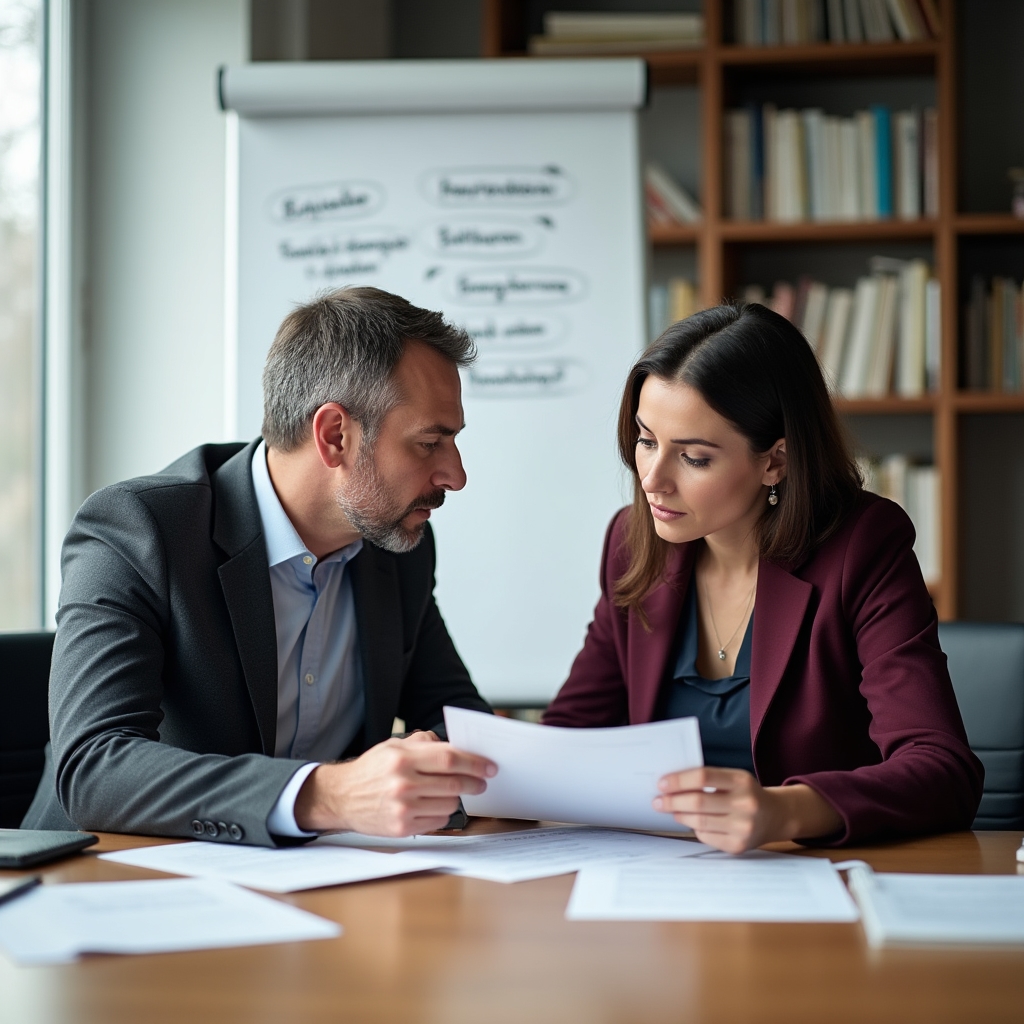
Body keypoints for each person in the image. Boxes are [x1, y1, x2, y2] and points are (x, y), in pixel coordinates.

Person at [24, 287, 496, 847]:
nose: (455, 475)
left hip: (323, 888)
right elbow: (94, 770)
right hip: (108, 883)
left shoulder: (394, 546)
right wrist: (328, 794)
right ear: (335, 435)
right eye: (429, 443)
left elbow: (462, 726)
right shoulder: (138, 531)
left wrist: (440, 765)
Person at [543, 303, 983, 852]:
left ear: (775, 461)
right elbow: (567, 740)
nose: (652, 479)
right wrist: (463, 771)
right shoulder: (632, 542)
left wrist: (786, 809)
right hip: (657, 880)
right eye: (647, 440)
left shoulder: (862, 546)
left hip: (811, 881)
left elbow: (943, 771)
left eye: (695, 458)